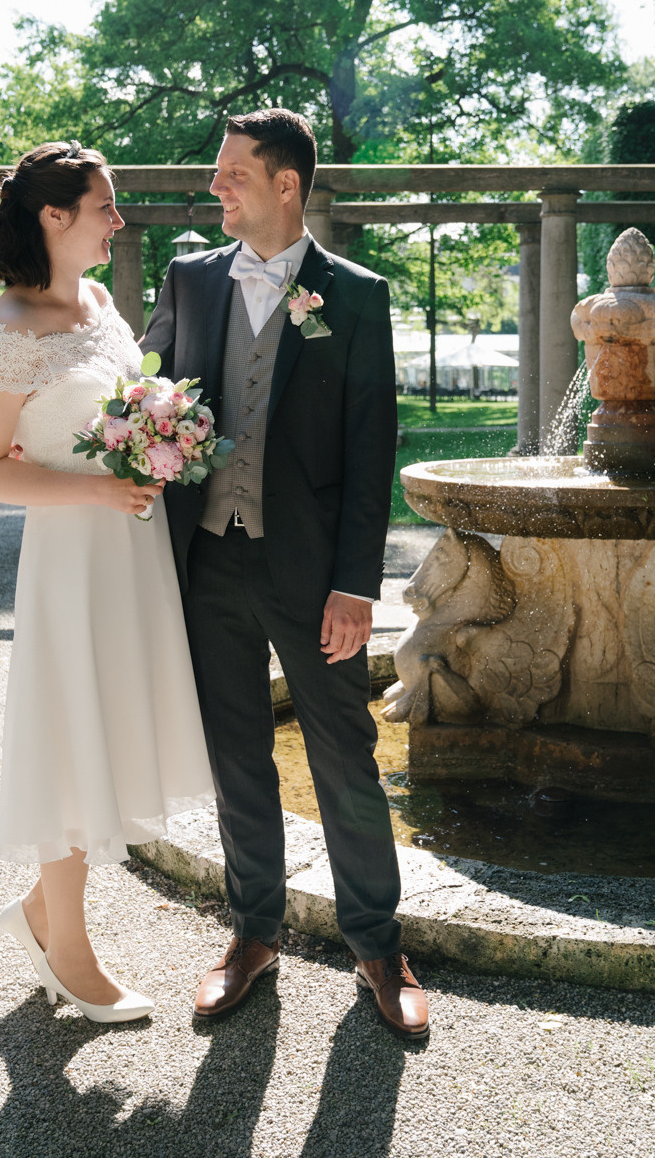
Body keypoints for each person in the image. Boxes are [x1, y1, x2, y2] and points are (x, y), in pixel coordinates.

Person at [142, 109, 429, 1038]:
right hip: (208, 563)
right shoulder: (187, 280)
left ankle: (378, 946)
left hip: (314, 577)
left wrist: (358, 582)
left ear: (286, 185)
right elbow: (148, 395)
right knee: (237, 755)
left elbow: (369, 445)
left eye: (230, 174)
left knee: (343, 753)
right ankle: (253, 933)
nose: (214, 187)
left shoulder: (355, 294)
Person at [0, 141, 215, 1024]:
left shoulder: (102, 302)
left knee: (106, 726)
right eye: (105, 205)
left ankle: (38, 915)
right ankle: (67, 952)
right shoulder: (9, 330)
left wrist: (156, 433)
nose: (118, 219)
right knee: (70, 735)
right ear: (53, 217)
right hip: (71, 554)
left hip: (129, 550)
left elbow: (120, 408)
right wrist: (98, 487)